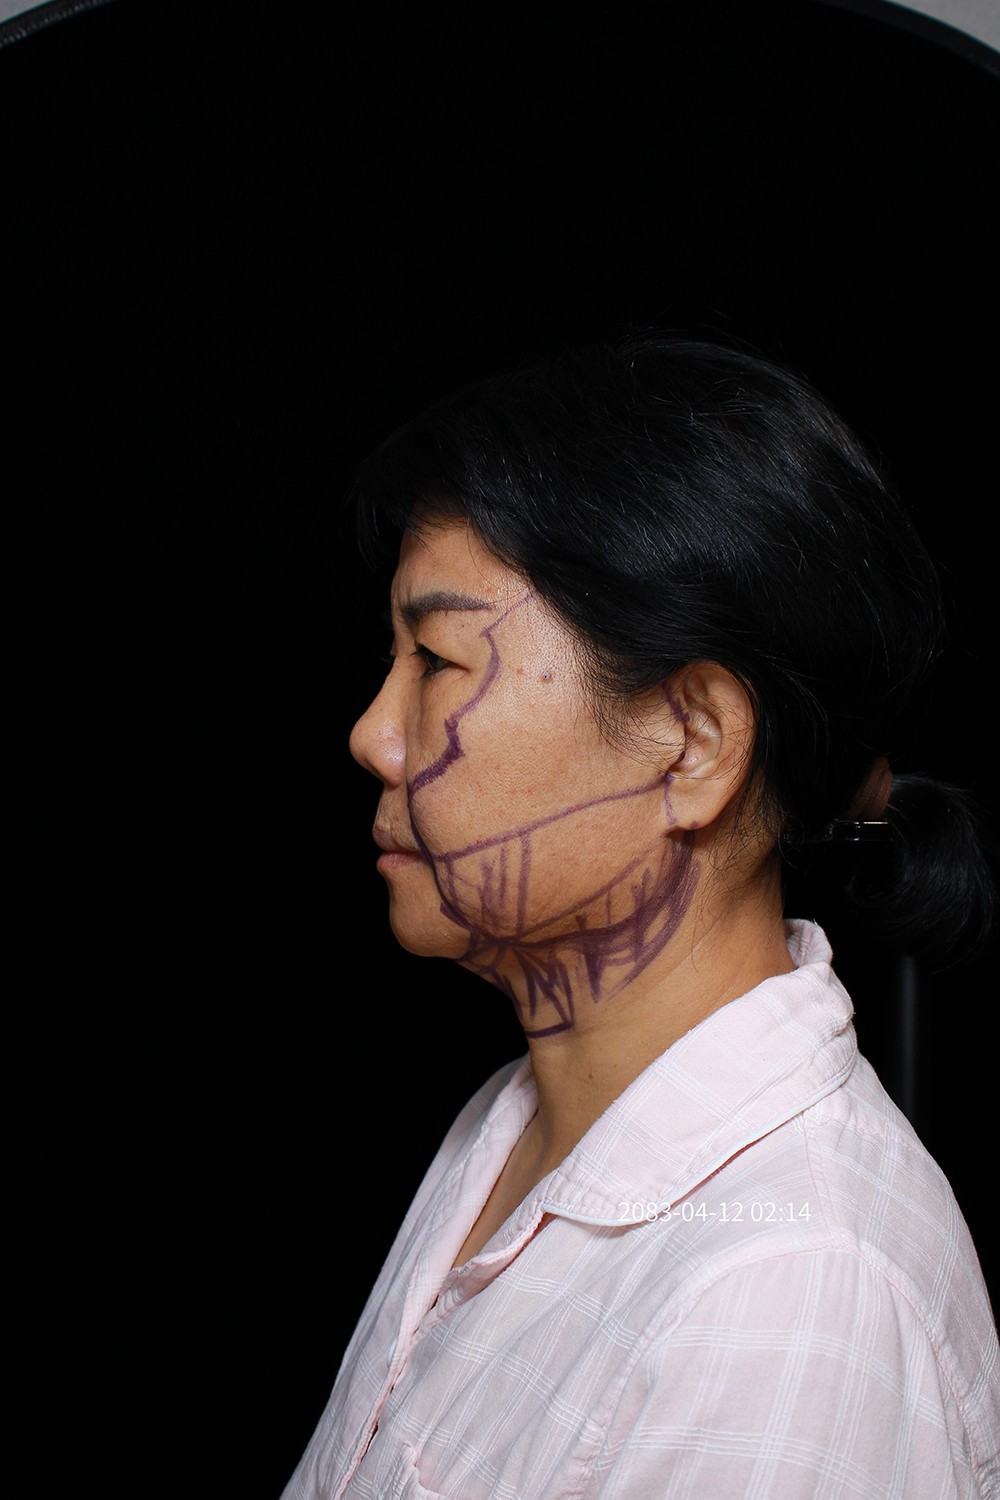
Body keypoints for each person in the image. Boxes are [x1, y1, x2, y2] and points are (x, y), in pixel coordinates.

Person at [284, 334, 999, 1498]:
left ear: (692, 743)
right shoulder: (515, 1122)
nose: (373, 733)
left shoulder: (788, 1293)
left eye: (438, 660)